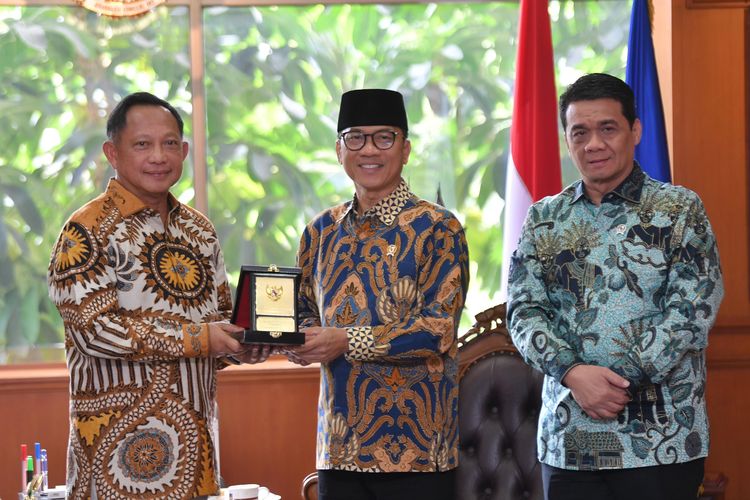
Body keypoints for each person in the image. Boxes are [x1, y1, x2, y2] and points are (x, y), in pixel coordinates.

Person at [506, 73, 724, 500]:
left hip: (662, 440)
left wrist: (612, 384)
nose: (594, 144)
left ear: (635, 130)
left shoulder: (680, 209)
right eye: (580, 132)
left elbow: (693, 308)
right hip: (572, 440)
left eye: (608, 128)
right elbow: (524, 311)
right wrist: (574, 374)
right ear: (567, 139)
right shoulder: (544, 218)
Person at [48, 92, 270, 499]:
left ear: (184, 151)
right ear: (112, 153)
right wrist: (203, 338)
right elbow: (95, 332)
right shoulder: (86, 230)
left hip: (195, 463)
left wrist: (241, 345)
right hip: (116, 464)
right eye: (142, 144)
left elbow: (219, 322)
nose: (159, 156)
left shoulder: (199, 232)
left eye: (169, 144)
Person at [287, 89, 469, 500]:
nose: (369, 149)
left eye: (384, 138)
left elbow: (438, 329)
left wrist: (346, 339)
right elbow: (302, 311)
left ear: (405, 150)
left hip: (419, 452)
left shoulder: (438, 227)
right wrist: (297, 341)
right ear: (339, 150)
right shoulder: (320, 231)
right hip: (338, 447)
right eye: (356, 138)